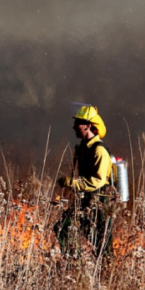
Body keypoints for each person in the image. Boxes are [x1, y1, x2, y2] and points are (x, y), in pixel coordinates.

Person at [53, 104, 115, 259]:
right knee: (63, 227)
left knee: (102, 243)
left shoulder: (99, 150)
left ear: (88, 126)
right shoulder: (81, 148)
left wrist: (72, 183)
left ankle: (107, 273)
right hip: (86, 197)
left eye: (78, 123)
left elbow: (98, 181)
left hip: (101, 199)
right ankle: (75, 263)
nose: (74, 127)